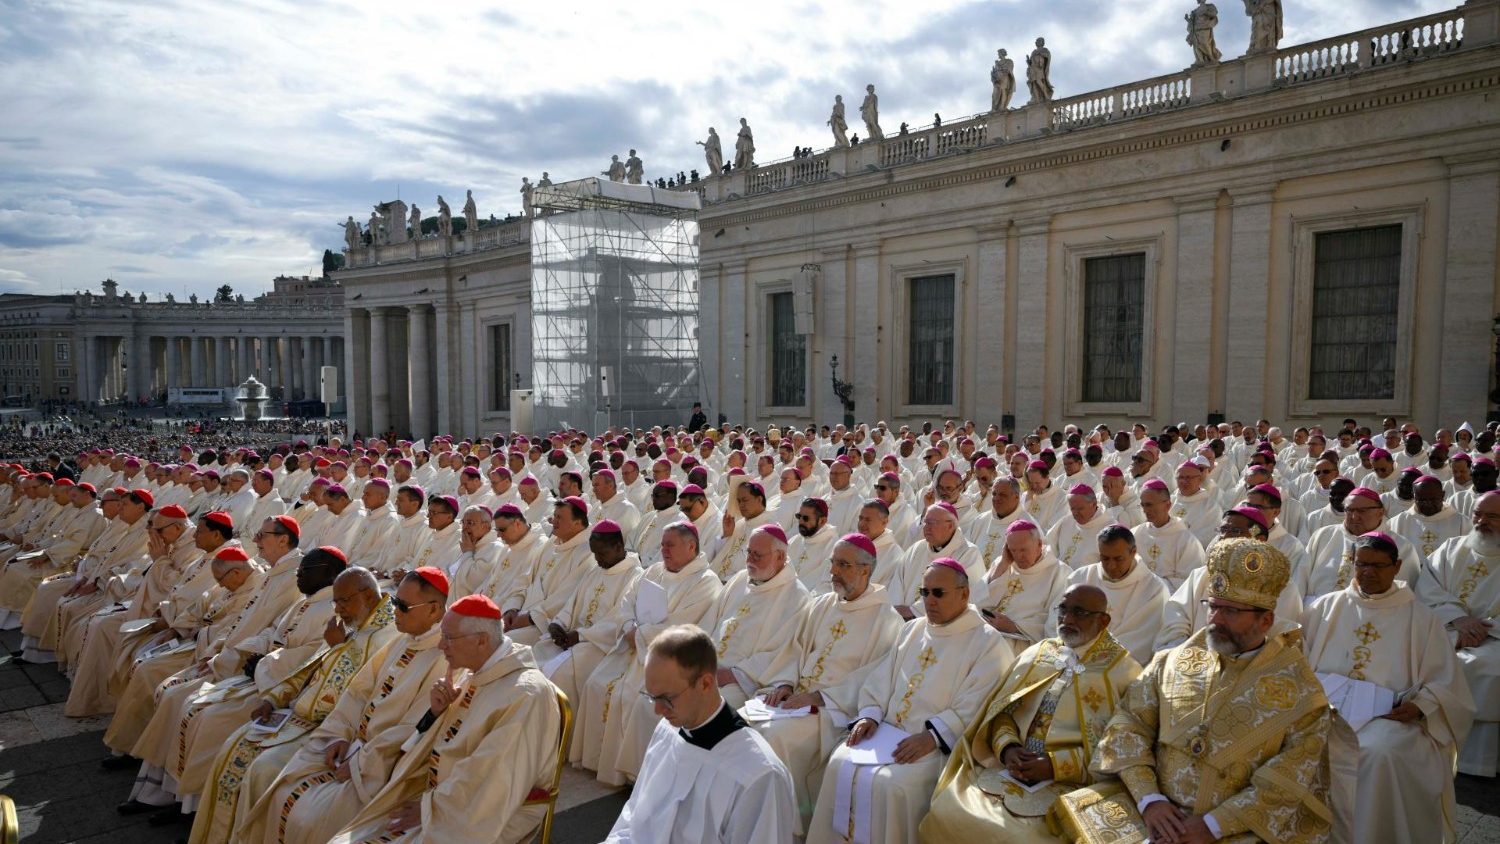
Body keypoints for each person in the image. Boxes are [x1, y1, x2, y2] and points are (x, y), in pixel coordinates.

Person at [1054, 538, 1333, 844]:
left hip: (1234, 829)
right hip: (1151, 812)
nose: (1214, 619)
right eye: (1212, 606)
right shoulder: (1171, 662)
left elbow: (1289, 780)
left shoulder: (1302, 694)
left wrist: (1213, 825)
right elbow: (1128, 726)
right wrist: (1150, 800)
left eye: (1231, 611)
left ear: (1265, 620)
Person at [805, 559, 1015, 844]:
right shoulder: (913, 629)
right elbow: (882, 678)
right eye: (924, 592)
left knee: (894, 786)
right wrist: (869, 715)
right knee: (840, 761)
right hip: (886, 734)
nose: (929, 600)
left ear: (964, 594)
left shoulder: (988, 643)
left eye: (938, 593)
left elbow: (977, 704)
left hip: (937, 747)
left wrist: (932, 736)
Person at [327, 594, 561, 843]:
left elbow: (494, 778)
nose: (441, 646)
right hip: (443, 795)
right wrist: (437, 713)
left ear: (482, 640)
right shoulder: (479, 671)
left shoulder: (526, 695)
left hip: (480, 812)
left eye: (449, 638)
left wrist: (430, 810)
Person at [185, 567, 395, 844]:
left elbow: (360, 695)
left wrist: (338, 647)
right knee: (234, 746)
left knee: (261, 770)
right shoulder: (351, 625)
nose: (339, 609)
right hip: (295, 717)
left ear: (368, 595)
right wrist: (273, 698)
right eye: (336, 602)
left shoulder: (388, 636)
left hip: (327, 729)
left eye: (344, 601)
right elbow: (307, 670)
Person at [919, 584, 1142, 841]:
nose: (1067, 619)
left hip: (1071, 784)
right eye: (1063, 610)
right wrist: (1008, 748)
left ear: (1103, 621)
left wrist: (1054, 766)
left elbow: (1121, 750)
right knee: (948, 810)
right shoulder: (1040, 652)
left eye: (1079, 613)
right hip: (1010, 767)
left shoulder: (1123, 673)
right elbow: (1002, 712)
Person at [1302, 531, 1474, 843]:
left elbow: (1446, 682)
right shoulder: (1324, 608)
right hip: (1325, 709)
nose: (1367, 572)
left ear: (1396, 567)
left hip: (1390, 718)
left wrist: (1420, 706)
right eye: (1361, 564)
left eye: (1378, 566)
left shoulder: (1422, 618)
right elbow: (1298, 663)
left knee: (1379, 752)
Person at [751, 533, 904, 831]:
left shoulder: (886, 620)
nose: (833, 571)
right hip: (797, 699)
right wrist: (784, 682)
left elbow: (874, 677)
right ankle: (754, 814)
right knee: (749, 724)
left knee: (774, 736)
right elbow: (796, 648)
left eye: (843, 565)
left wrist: (820, 698)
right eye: (833, 563)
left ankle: (784, 824)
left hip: (832, 711)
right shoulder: (821, 604)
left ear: (865, 570)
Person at [604, 625, 796, 843]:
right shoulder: (667, 731)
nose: (657, 710)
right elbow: (634, 817)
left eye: (666, 698)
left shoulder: (759, 775)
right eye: (652, 696)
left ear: (705, 683)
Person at [580, 521, 723, 784]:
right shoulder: (654, 570)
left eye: (670, 545)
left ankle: (633, 776)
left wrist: (640, 635)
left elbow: (683, 625)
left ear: (691, 546)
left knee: (634, 699)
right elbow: (627, 601)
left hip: (667, 659)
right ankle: (602, 763)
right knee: (596, 684)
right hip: (633, 646)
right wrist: (628, 627)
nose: (664, 550)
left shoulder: (706, 582)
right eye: (662, 544)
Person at [1424, 490, 1500, 776]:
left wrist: (1481, 628)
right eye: (1478, 514)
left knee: (1488, 668)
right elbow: (1428, 588)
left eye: (1492, 516)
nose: (1482, 521)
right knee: (1430, 656)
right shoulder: (1451, 548)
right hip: (1451, 628)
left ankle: (1479, 760)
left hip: (1494, 639)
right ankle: (1433, 745)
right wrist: (1458, 618)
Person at [531, 519, 642, 705]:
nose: (597, 559)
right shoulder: (595, 571)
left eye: (602, 553)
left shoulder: (634, 576)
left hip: (599, 645)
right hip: (573, 637)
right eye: (594, 553)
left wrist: (581, 636)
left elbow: (618, 619)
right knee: (536, 654)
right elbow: (572, 604)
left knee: (558, 675)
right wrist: (558, 623)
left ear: (618, 547)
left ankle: (561, 729)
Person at [1051, 525, 1168, 665]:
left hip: (1117, 666)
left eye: (1118, 559)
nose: (1111, 566)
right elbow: (1058, 619)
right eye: (1105, 558)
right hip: (1069, 658)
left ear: (1133, 552)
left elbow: (1141, 639)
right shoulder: (1080, 577)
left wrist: (1092, 659)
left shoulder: (1153, 589)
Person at [979, 519, 1070, 643]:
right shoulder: (1003, 563)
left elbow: (1055, 620)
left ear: (1039, 544)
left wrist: (1013, 627)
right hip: (986, 632)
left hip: (1022, 641)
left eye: (1023, 550)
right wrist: (1003, 565)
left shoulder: (1060, 572)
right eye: (1013, 550)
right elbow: (978, 602)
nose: (1018, 557)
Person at [1132, 478, 1206, 590]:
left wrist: (1150, 584)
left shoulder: (1187, 541)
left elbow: (1188, 584)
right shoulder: (1135, 533)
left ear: (1167, 505)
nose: (1145, 510)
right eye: (1143, 505)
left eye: (1149, 505)